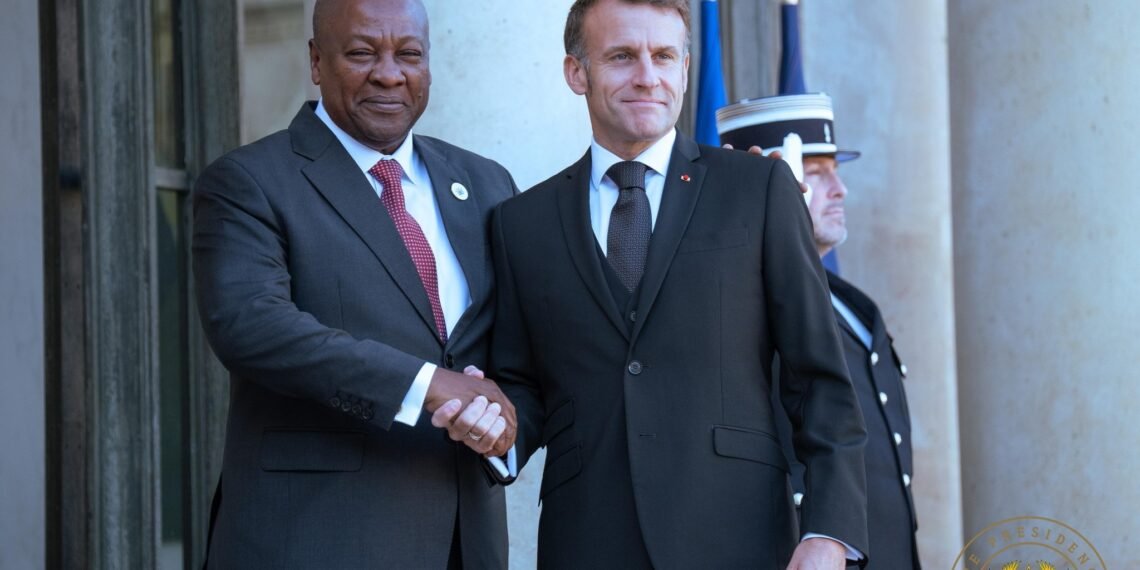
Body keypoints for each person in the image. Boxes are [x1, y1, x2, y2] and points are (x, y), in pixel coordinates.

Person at [483, 1, 868, 567]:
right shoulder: (521, 223)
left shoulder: (757, 189)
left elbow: (820, 382)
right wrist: (496, 428)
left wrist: (828, 533)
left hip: (741, 540)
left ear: (686, 70)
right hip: (586, 543)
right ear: (576, 72)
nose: (647, 76)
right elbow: (524, 386)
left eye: (664, 56)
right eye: (621, 57)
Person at [192, 0, 517, 567]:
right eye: (363, 52)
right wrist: (428, 385)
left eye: (409, 54)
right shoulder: (248, 182)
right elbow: (252, 326)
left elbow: (520, 346)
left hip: (465, 542)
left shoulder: (485, 183)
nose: (390, 73)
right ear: (317, 62)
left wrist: (509, 420)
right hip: (316, 538)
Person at [737, 93, 921, 569]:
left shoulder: (854, 303)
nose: (840, 189)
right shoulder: (739, 306)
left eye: (836, 170)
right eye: (816, 173)